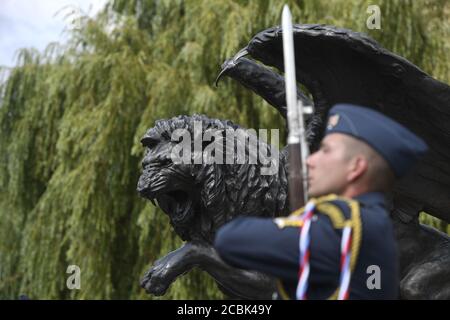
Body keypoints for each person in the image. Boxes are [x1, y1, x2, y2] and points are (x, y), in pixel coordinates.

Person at [214, 103, 428, 300]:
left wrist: (299, 222)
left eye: (325, 150)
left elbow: (229, 240)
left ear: (356, 167)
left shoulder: (343, 227)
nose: (310, 160)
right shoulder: (375, 223)